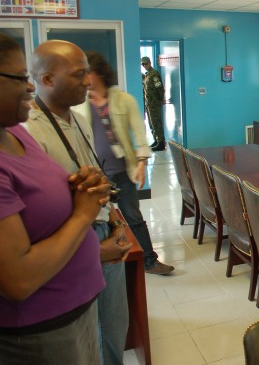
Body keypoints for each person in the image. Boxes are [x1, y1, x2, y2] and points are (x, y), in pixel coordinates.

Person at [0, 32, 110, 364]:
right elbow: (18, 280)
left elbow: (51, 188)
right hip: (40, 329)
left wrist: (84, 185)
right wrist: (83, 214)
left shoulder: (15, 132)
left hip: (75, 307)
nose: (30, 87)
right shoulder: (28, 125)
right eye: (20, 78)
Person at [26, 40, 131, 365]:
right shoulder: (29, 133)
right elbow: (37, 221)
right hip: (71, 249)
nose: (88, 82)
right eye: (78, 75)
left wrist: (115, 223)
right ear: (46, 80)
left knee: (114, 330)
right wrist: (95, 251)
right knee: (85, 341)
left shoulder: (80, 121)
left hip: (103, 233)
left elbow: (96, 180)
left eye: (88, 73)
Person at [75, 51, 174, 275]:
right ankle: (107, 261)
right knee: (98, 221)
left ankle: (149, 260)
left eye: (86, 72)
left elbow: (140, 135)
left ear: (97, 73)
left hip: (122, 172)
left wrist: (141, 163)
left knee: (133, 217)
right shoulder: (78, 104)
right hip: (95, 175)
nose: (82, 78)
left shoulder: (123, 100)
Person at [140, 56, 165, 151]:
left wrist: (161, 99)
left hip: (154, 103)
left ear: (150, 63)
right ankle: (156, 140)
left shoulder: (154, 74)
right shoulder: (147, 75)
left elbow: (159, 87)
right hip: (149, 103)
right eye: (143, 64)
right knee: (151, 123)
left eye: (145, 63)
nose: (144, 66)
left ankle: (161, 143)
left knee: (156, 123)